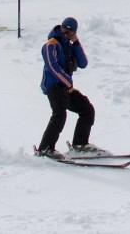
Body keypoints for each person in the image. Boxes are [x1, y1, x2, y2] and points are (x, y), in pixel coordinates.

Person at [35, 16, 96, 159]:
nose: (66, 33)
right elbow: (52, 67)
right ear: (60, 27)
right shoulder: (51, 44)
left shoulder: (69, 45)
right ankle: (45, 149)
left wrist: (76, 43)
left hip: (65, 87)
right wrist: (68, 82)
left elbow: (83, 63)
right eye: (64, 30)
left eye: (70, 32)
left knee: (87, 109)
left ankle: (80, 144)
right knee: (59, 114)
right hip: (53, 86)